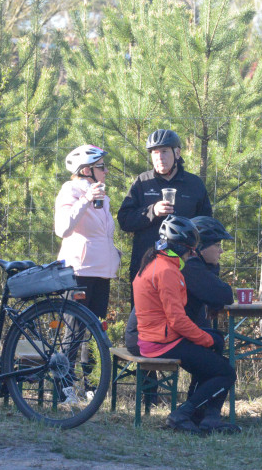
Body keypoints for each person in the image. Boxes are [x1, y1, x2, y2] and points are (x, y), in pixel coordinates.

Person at [133, 215, 237, 435]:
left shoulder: (155, 262)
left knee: (214, 347)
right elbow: (177, 320)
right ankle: (183, 414)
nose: (192, 255)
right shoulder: (168, 271)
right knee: (226, 372)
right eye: (191, 250)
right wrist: (205, 338)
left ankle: (204, 416)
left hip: (155, 338)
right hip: (162, 342)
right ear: (185, 249)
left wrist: (208, 338)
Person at [118, 129, 212, 290]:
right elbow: (125, 220)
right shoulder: (142, 182)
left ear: (177, 153)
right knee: (146, 314)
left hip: (184, 267)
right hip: (147, 265)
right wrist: (152, 211)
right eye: (154, 153)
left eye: (164, 152)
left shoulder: (194, 184)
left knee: (182, 313)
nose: (159, 157)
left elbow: (207, 223)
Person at [54, 145, 119, 321]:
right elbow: (63, 229)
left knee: (94, 335)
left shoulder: (102, 195)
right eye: (101, 166)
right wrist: (86, 199)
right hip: (79, 273)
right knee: (74, 334)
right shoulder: (71, 190)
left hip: (102, 272)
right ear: (85, 170)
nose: (106, 171)